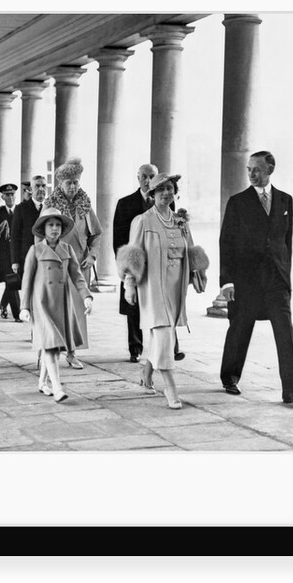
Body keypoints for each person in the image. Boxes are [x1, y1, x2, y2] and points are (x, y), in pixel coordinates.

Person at [218, 151, 293, 404]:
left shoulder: (286, 201)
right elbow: (226, 243)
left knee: (285, 335)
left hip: (276, 282)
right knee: (239, 330)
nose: (251, 174)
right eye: (248, 169)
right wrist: (227, 281)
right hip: (246, 281)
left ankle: (291, 391)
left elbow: (286, 245)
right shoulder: (237, 202)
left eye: (256, 169)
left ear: (270, 169)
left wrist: (287, 280)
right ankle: (229, 377)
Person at [117, 172, 209, 410]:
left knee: (162, 335)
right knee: (164, 336)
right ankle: (170, 389)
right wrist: (129, 284)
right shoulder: (142, 221)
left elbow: (190, 249)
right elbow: (133, 254)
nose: (166, 193)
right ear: (152, 194)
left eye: (169, 188)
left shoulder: (180, 221)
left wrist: (199, 272)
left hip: (175, 286)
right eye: (161, 190)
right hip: (152, 286)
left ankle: (146, 376)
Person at [20, 207, 93, 403]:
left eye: (58, 225)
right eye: (51, 225)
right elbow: (26, 281)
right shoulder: (35, 250)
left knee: (51, 345)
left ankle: (43, 382)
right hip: (42, 303)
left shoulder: (67, 250)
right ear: (43, 229)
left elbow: (77, 277)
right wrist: (24, 307)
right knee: (51, 345)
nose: (55, 229)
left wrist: (86, 296)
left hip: (61, 303)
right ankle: (58, 388)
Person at [43, 157, 101, 370]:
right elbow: (40, 236)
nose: (73, 186)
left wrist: (93, 255)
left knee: (76, 311)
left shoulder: (85, 205)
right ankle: (49, 350)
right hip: (55, 265)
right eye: (69, 182)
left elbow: (97, 234)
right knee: (54, 309)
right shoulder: (50, 205)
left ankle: (72, 352)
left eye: (76, 182)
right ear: (60, 183)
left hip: (80, 266)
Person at [112, 163, 159, 363]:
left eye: (152, 176)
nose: (148, 181)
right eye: (144, 176)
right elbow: (118, 237)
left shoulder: (164, 201)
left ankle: (162, 346)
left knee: (158, 305)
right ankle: (135, 348)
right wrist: (126, 265)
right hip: (134, 262)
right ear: (137, 178)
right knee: (134, 306)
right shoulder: (125, 203)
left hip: (156, 264)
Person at [0, 183, 21, 321]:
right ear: (2, 197)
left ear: (16, 195)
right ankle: (17, 314)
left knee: (14, 282)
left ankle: (3, 304)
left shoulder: (21, 211)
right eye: (7, 195)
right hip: (4, 254)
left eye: (12, 194)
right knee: (12, 282)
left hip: (19, 253)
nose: (10, 197)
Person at [10, 174, 47, 279]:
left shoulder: (50, 208)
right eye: (37, 186)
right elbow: (14, 237)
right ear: (31, 189)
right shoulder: (21, 209)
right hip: (26, 259)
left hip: (46, 259)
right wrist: (15, 261)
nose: (41, 189)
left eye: (43, 186)